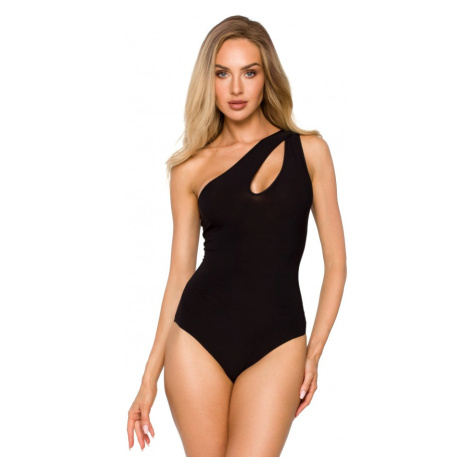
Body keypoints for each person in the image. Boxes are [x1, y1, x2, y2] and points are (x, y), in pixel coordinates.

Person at [127, 15, 347, 457]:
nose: (236, 88)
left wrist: (314, 353)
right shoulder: (189, 169)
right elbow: (180, 275)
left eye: (249, 72)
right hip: (197, 339)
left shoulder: (311, 152)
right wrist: (148, 379)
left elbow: (336, 266)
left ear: (267, 77)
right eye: (222, 73)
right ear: (208, 81)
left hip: (279, 343)